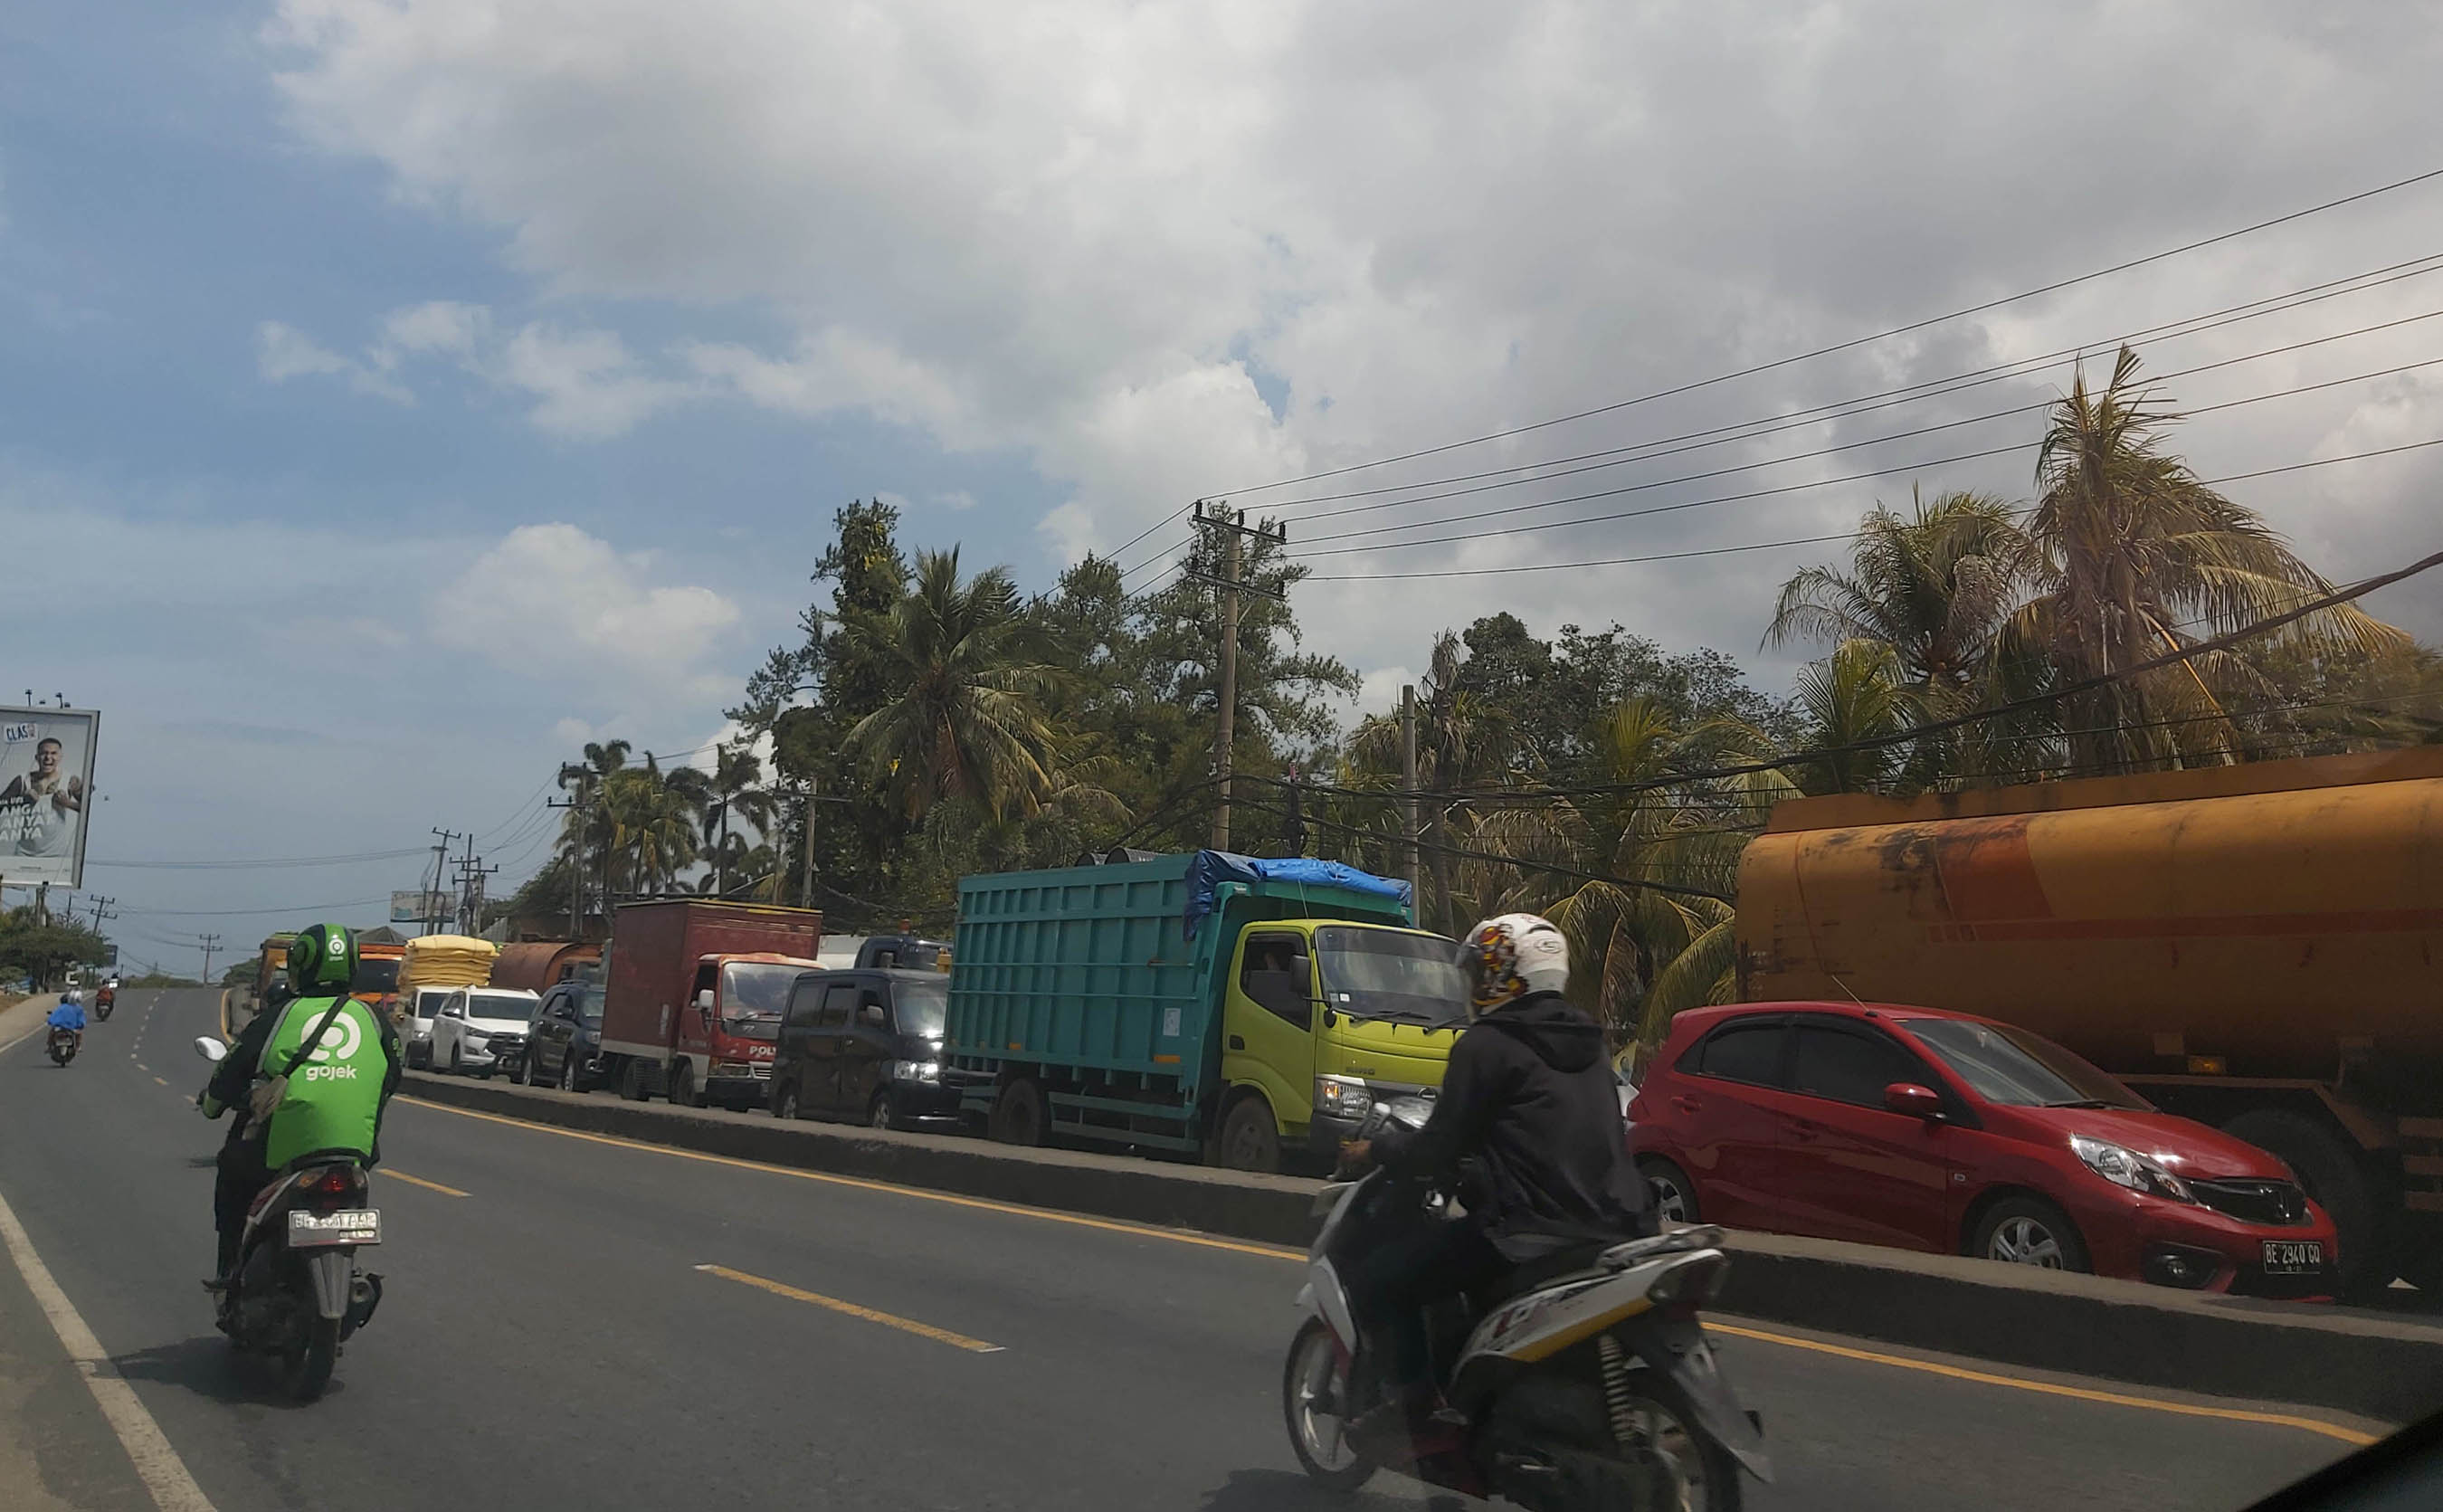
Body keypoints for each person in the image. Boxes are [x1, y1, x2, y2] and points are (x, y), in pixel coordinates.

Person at [1338, 912, 1654, 1447]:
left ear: (1504, 977)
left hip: (1525, 1236)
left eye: (1481, 973)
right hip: (1617, 1228)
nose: (1475, 987)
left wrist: (1379, 1147)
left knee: (1379, 1281)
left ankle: (1415, 1413)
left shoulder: (1487, 1046)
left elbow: (1439, 1149)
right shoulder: (1591, 1046)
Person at [199, 923, 403, 1285]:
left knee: (232, 1166)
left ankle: (229, 1268)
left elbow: (230, 1073)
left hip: (283, 1155)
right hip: (356, 1154)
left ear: (299, 965)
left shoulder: (277, 1018)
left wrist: (212, 1105)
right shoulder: (375, 1020)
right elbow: (393, 1076)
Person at [1, 737, 83, 859]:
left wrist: (67, 803)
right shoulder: (23, 780)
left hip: (56, 853)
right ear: (36, 757)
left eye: (53, 753)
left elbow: (91, 810)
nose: (48, 758)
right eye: (44, 753)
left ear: (60, 757)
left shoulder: (71, 780)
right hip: (24, 853)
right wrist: (22, 800)